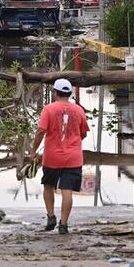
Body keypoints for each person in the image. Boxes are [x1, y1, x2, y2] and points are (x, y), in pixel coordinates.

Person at [30, 78, 89, 235]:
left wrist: (33, 150)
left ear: (55, 93)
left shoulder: (48, 109)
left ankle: (51, 216)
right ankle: (63, 224)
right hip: (74, 158)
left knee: (48, 185)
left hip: (52, 157)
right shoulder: (79, 110)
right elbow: (83, 133)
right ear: (69, 93)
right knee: (67, 190)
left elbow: (41, 131)